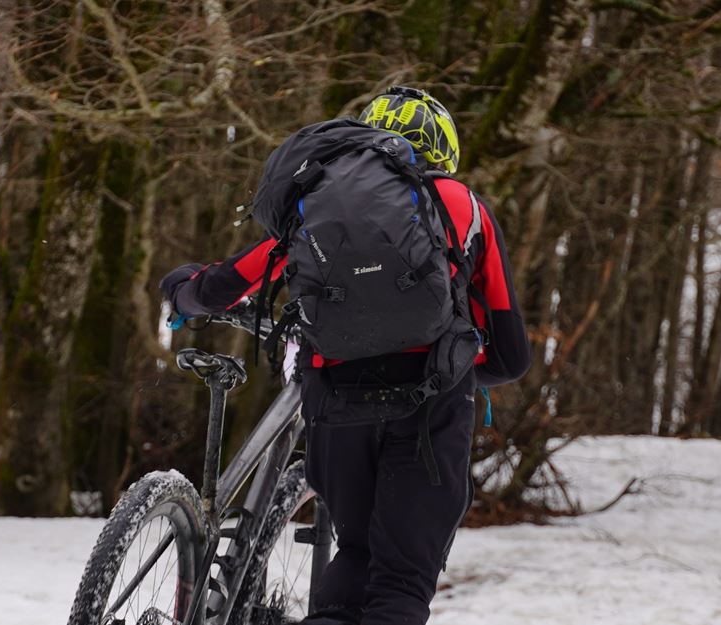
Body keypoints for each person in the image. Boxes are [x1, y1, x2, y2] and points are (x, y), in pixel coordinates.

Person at [160, 86, 530, 625]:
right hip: (427, 407)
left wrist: (183, 290)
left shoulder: (320, 200)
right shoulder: (460, 205)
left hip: (335, 403)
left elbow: (232, 280)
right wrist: (459, 364)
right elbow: (511, 356)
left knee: (355, 556)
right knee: (400, 581)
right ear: (444, 150)